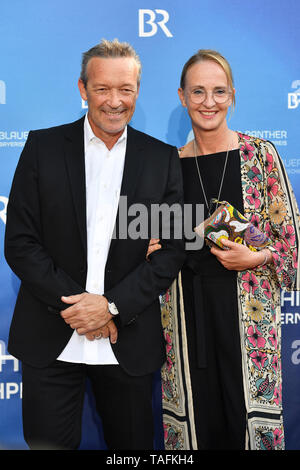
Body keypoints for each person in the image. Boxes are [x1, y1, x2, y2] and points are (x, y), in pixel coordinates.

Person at [4, 39, 185, 450]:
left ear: (137, 91)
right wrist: (83, 306)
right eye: (103, 89)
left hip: (128, 341)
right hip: (51, 336)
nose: (115, 101)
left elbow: (173, 250)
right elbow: (20, 243)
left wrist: (111, 305)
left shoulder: (162, 159)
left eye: (125, 89)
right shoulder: (42, 148)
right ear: (83, 89)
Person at [148, 49, 300, 450]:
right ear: (182, 97)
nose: (208, 102)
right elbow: (153, 243)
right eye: (198, 92)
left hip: (249, 327)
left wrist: (258, 256)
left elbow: (292, 248)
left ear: (231, 95)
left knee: (247, 424)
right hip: (184, 324)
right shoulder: (167, 166)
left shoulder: (261, 156)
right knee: (195, 428)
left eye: (218, 91)